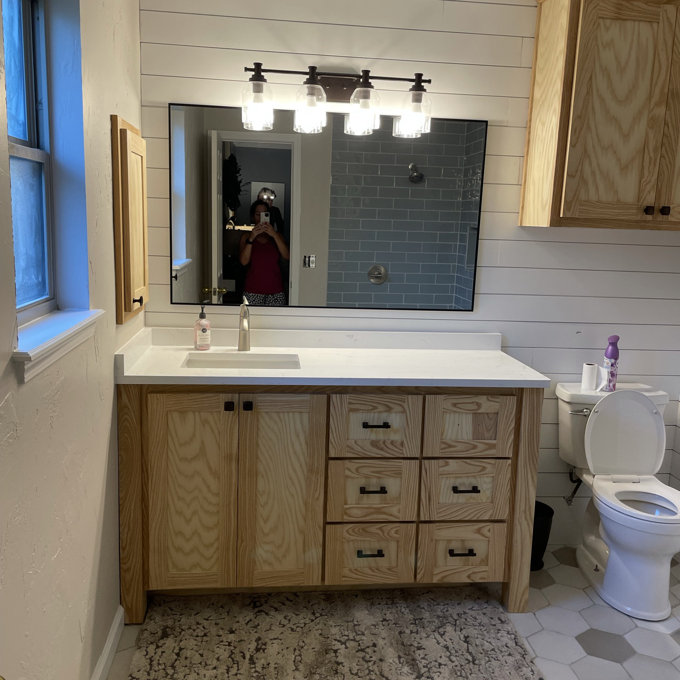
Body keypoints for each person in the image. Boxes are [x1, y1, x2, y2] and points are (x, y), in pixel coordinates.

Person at [239, 200, 289, 306]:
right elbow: (243, 261)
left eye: (264, 214)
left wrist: (274, 235)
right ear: (253, 217)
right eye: (258, 214)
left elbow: (287, 256)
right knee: (251, 317)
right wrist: (252, 238)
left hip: (276, 292)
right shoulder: (246, 237)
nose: (261, 218)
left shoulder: (277, 237)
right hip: (252, 291)